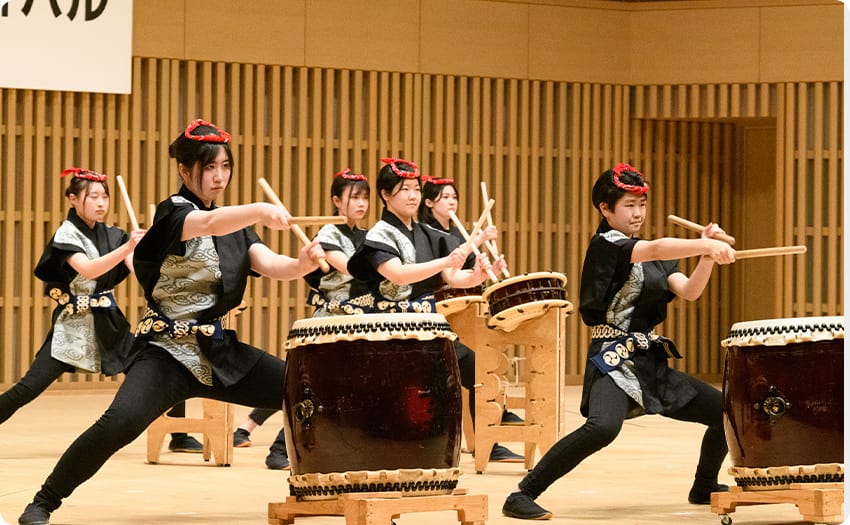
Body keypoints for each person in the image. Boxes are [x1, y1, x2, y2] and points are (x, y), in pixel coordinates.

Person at [17, 119, 324, 525]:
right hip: (165, 351)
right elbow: (209, 223)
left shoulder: (238, 230)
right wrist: (260, 210)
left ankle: (321, 491)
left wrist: (301, 264)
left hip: (218, 351)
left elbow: (269, 264)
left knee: (307, 392)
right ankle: (43, 502)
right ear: (185, 170)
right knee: (118, 424)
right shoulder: (173, 214)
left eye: (225, 167)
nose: (219, 177)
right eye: (209, 167)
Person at [501, 163, 735, 520]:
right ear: (605, 208)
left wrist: (706, 257)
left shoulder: (650, 255)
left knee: (724, 412)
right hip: (611, 358)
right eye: (628, 205)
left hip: (646, 360)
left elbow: (689, 291)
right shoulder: (607, 245)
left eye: (641, 204)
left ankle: (704, 485)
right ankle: (522, 493)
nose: (638, 212)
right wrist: (704, 242)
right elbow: (655, 249)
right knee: (604, 427)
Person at [0, 167, 201, 454]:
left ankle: (178, 435)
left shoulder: (113, 235)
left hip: (108, 323)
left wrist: (150, 262)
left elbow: (134, 265)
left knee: (164, 363)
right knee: (29, 388)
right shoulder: (66, 234)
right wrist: (128, 246)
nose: (101, 203)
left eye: (104, 197)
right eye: (92, 196)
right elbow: (90, 269)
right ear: (73, 199)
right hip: (73, 326)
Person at [232, 168, 371, 468]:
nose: (361, 204)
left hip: (360, 320)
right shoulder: (328, 234)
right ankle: (280, 449)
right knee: (316, 387)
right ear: (337, 200)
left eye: (364, 198)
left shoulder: (366, 236)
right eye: (354, 197)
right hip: (330, 321)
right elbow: (350, 268)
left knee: (336, 388)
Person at [419, 175, 525, 463]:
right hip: (431, 315)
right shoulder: (427, 233)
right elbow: (446, 273)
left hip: (457, 308)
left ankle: (487, 439)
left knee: (484, 366)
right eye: (445, 197)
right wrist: (475, 240)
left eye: (455, 196)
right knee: (469, 371)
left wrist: (482, 270)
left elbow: (456, 275)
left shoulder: (454, 232)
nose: (452, 201)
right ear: (429, 203)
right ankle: (486, 436)